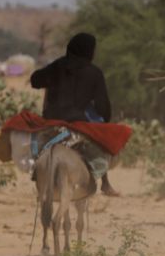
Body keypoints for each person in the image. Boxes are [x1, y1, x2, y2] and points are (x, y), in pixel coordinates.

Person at [29, 32, 118, 196]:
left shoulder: (57, 66)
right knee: (102, 143)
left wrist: (51, 78)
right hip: (77, 121)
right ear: (89, 50)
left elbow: (35, 80)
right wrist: (104, 120)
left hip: (51, 120)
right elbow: (103, 105)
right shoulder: (94, 73)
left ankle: (36, 171)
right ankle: (105, 183)